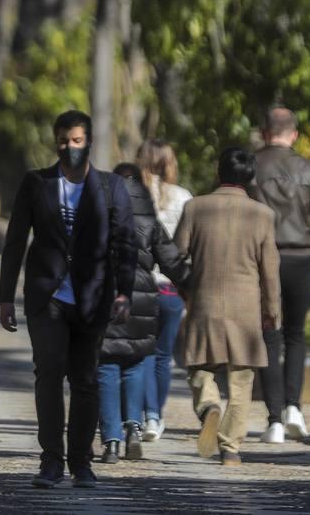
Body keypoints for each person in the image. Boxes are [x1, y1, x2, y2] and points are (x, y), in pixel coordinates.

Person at [0, 109, 136, 490]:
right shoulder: (36, 183)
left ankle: (81, 462)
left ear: (89, 141)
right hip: (48, 295)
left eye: (76, 140)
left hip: (93, 296)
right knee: (48, 375)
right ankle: (50, 460)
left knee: (86, 380)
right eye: (63, 140)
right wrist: (5, 297)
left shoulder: (110, 187)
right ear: (55, 141)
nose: (69, 147)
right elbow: (14, 241)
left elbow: (125, 243)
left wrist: (124, 291)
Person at [174, 147, 281, 466]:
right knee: (241, 379)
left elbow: (176, 255)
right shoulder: (262, 215)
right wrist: (272, 311)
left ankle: (209, 406)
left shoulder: (195, 207)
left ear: (219, 174)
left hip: (204, 301)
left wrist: (186, 290)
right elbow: (270, 270)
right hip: (246, 307)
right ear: (251, 177)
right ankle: (230, 448)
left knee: (199, 370)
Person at [96, 163, 190, 465]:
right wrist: (191, 284)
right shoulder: (149, 217)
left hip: (105, 293)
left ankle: (110, 440)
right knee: (135, 363)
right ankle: (134, 427)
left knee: (107, 365)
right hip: (144, 296)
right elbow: (171, 260)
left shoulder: (100, 213)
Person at [250, 106, 310, 443]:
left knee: (269, 334)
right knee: (296, 334)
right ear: (294, 134)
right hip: (300, 256)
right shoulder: (308, 169)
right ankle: (294, 406)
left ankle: (273, 420)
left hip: (264, 255)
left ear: (264, 132)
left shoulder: (252, 166)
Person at [137, 139, 192, 441]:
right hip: (170, 288)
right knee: (163, 355)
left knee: (140, 354)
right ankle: (155, 416)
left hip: (140, 286)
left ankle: (141, 415)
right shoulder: (183, 198)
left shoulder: (132, 194)